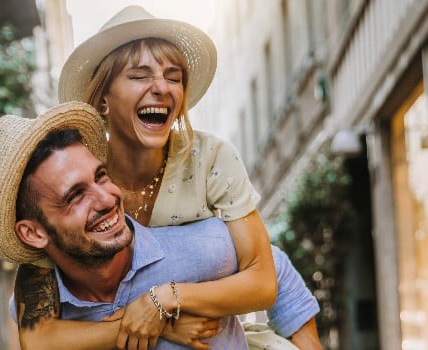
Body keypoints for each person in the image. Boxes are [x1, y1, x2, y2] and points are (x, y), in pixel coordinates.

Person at [17, 5, 322, 349]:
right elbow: (37, 336)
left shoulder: (210, 159)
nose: (162, 87)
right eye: (140, 75)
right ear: (103, 99)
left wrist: (163, 300)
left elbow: (266, 272)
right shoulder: (82, 174)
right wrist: (154, 323)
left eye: (174, 76)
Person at [0, 102, 308, 349]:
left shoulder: (201, 247)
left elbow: (271, 268)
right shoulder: (38, 306)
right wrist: (159, 325)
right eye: (75, 196)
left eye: (101, 176)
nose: (105, 199)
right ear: (33, 233)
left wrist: (163, 300)